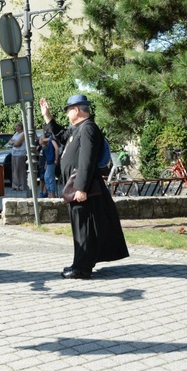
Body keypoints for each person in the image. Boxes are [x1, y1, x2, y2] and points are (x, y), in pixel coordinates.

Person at [39, 94, 129, 279]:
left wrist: (81, 188)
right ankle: (81, 262)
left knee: (83, 228)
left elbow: (86, 161)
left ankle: (82, 268)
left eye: (68, 110)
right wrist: (47, 117)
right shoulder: (78, 129)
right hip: (77, 186)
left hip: (82, 188)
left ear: (76, 110)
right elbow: (62, 135)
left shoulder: (88, 129)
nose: (67, 115)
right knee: (81, 227)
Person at [7, 122, 27, 191]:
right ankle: (15, 185)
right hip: (14, 154)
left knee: (21, 170)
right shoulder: (16, 134)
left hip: (21, 154)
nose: (15, 127)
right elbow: (9, 142)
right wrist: (14, 142)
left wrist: (14, 143)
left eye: (16, 126)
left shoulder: (23, 134)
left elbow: (17, 144)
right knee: (14, 170)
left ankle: (22, 185)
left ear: (20, 127)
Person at [41, 133, 60, 198]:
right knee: (47, 177)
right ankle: (50, 194)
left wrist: (56, 159)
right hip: (49, 162)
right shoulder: (50, 140)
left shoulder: (52, 139)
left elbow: (57, 148)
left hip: (52, 161)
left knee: (49, 178)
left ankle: (52, 195)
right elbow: (42, 140)